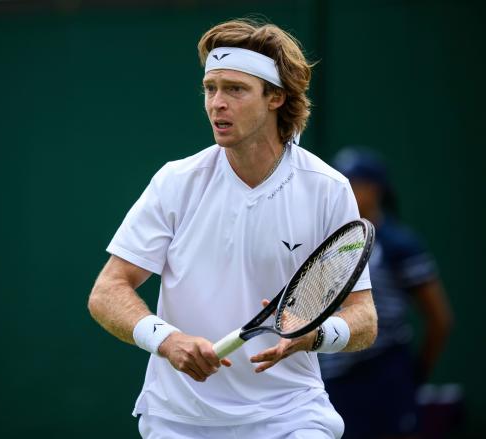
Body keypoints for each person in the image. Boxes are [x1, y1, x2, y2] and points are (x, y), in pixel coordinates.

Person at [88, 18, 378, 438]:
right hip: (179, 420)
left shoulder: (328, 189)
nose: (216, 103)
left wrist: (315, 335)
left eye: (235, 89)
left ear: (275, 97)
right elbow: (107, 290)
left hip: (290, 415)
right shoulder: (175, 182)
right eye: (210, 88)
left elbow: (364, 318)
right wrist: (166, 339)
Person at [319, 147, 453, 439]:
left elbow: (440, 318)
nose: (345, 189)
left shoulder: (399, 244)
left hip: (384, 376)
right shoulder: (326, 242)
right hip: (334, 380)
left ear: (375, 189)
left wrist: (411, 375)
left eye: (354, 182)